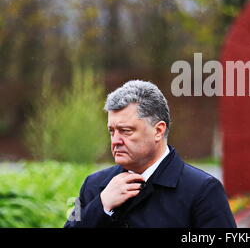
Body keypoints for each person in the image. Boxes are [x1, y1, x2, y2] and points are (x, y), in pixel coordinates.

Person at [64, 80, 236, 228]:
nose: (115, 140)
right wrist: (101, 206)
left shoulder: (203, 191)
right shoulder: (93, 186)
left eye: (126, 131)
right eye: (112, 131)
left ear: (158, 131)